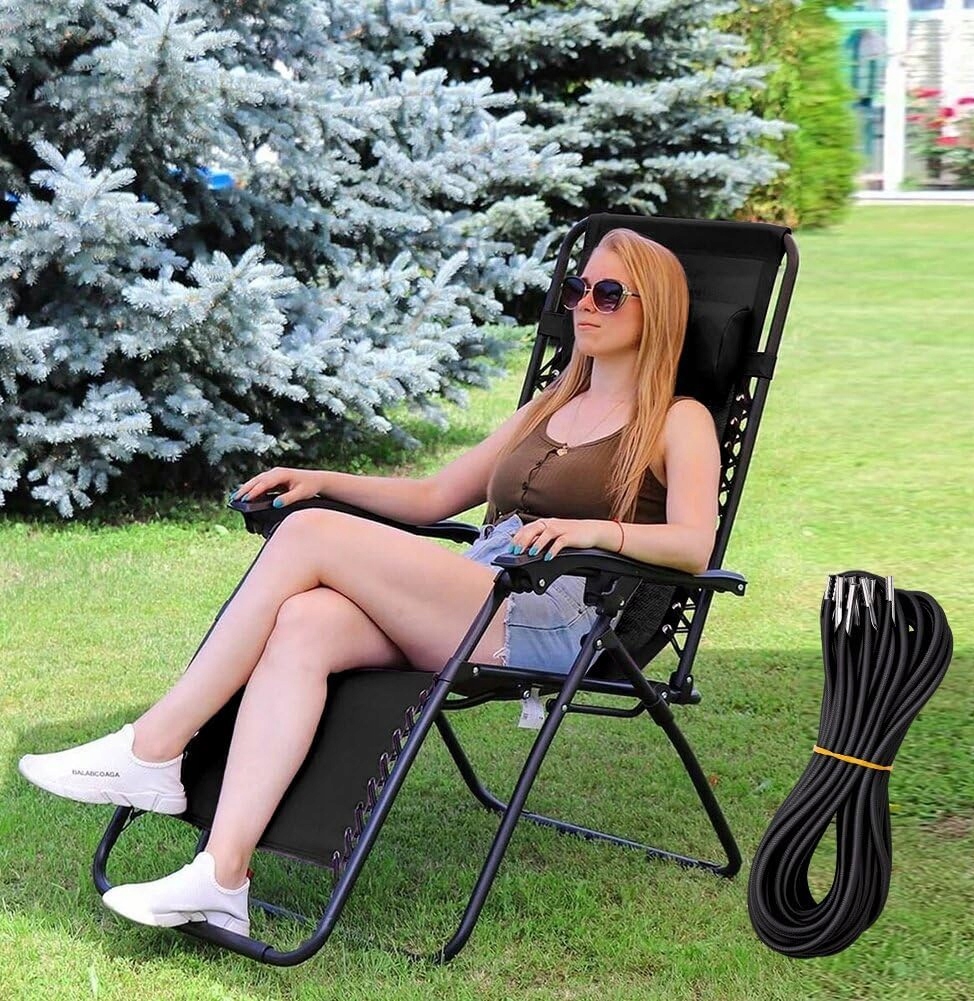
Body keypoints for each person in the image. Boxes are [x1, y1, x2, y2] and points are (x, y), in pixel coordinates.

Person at [18, 227, 721, 937]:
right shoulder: (548, 406)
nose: (584, 305)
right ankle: (222, 876)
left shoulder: (677, 419)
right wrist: (322, 480)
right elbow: (432, 497)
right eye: (576, 289)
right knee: (305, 622)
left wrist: (597, 531)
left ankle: (154, 746)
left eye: (608, 293)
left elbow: (694, 545)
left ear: (655, 309)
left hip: (557, 613)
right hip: (478, 589)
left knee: (310, 534)